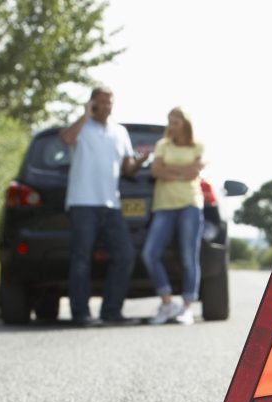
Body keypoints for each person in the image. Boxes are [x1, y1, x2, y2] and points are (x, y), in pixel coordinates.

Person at [60, 86, 148, 326]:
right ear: (92, 104)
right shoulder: (81, 128)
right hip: (82, 203)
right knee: (81, 259)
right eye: (101, 102)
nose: (106, 106)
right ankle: (81, 313)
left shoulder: (119, 132)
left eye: (109, 102)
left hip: (111, 204)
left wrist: (141, 161)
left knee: (125, 255)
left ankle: (111, 311)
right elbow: (66, 138)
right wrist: (86, 114)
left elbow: (127, 168)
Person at [142, 107, 206, 326]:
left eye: (175, 122)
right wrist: (182, 172)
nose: (171, 126)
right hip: (164, 205)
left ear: (185, 124)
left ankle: (187, 307)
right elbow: (156, 171)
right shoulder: (162, 145)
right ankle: (167, 303)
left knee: (189, 256)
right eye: (170, 122)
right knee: (150, 253)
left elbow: (195, 172)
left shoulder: (198, 146)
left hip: (190, 203)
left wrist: (171, 171)